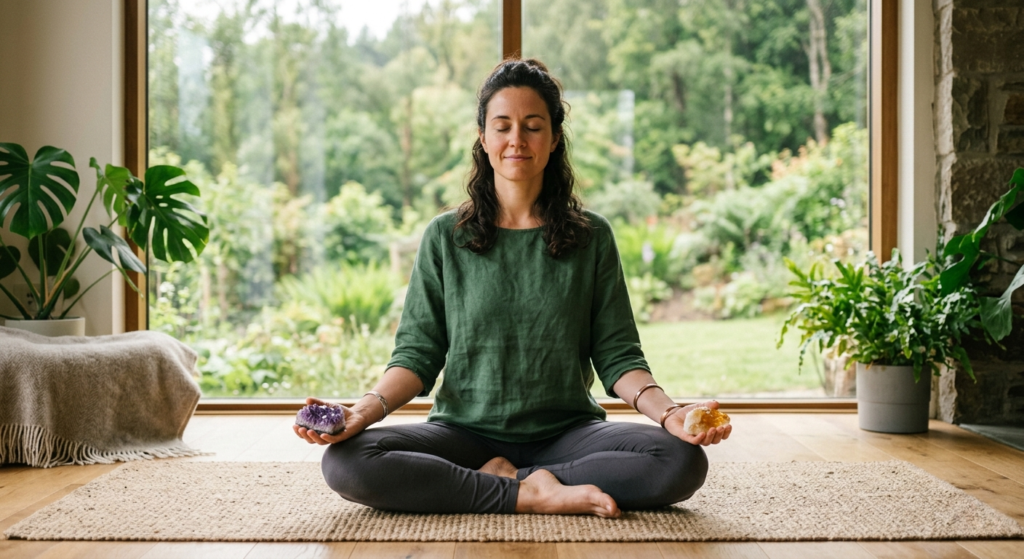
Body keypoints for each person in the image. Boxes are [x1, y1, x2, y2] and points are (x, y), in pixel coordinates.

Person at [294, 58, 731, 518]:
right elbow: (417, 355)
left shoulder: (591, 236)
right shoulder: (445, 236)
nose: (516, 140)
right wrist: (361, 413)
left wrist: (670, 414)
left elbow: (618, 355)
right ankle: (534, 493)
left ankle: (507, 483)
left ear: (554, 138)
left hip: (569, 433)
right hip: (465, 435)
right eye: (502, 126)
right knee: (347, 461)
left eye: (533, 126)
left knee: (681, 460)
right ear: (483, 138)